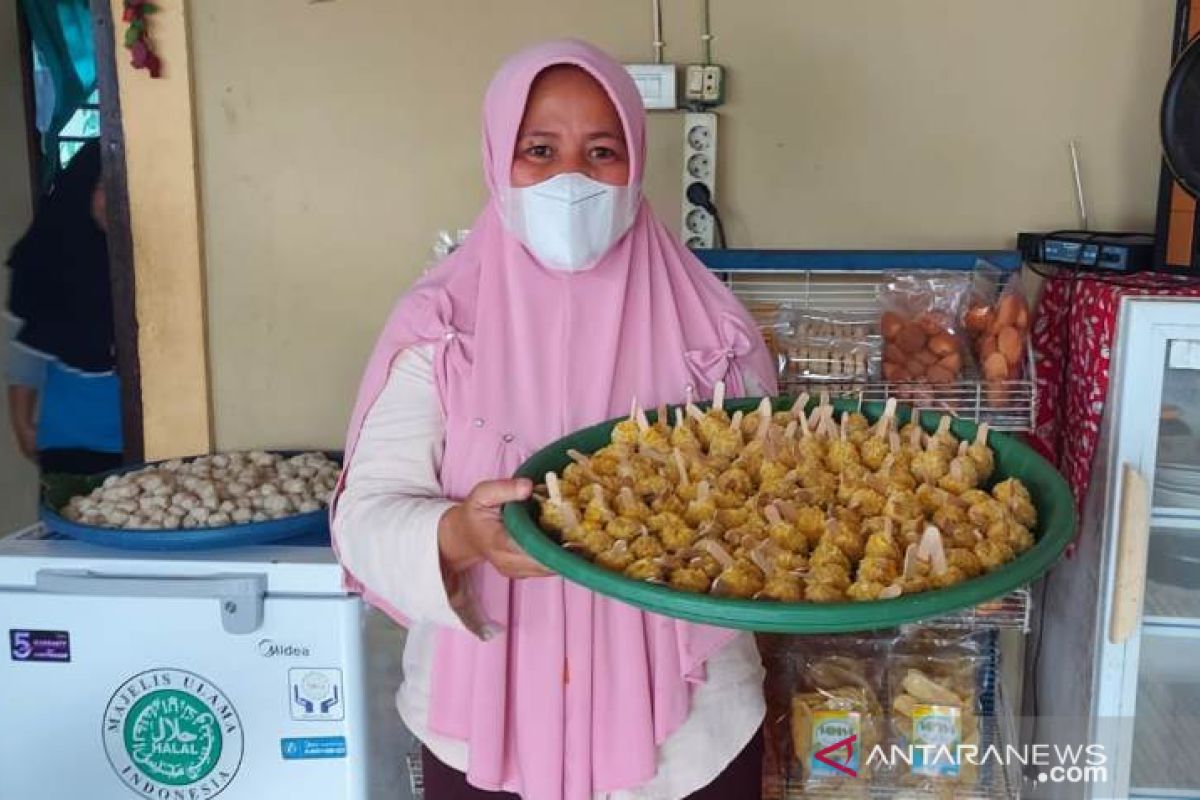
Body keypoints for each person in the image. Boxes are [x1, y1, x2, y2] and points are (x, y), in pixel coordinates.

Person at [332, 40, 777, 800]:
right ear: (497, 159)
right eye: (539, 149)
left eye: (601, 151)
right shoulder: (444, 326)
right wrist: (460, 536)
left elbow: (775, 509)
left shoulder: (714, 334)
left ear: (636, 164)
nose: (571, 176)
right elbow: (365, 519)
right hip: (482, 725)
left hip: (689, 737)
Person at [5, 140, 122, 475]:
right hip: (73, 445)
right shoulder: (52, 259)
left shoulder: (154, 258)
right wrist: (23, 426)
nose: (114, 199)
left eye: (123, 186)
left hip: (154, 442)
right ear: (83, 191)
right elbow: (25, 352)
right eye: (101, 186)